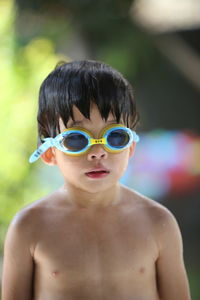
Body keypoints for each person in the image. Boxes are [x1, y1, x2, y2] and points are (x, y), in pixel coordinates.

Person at [2, 60, 191, 300]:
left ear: (131, 146)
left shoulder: (157, 223)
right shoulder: (29, 227)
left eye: (115, 136)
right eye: (77, 140)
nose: (98, 152)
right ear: (49, 152)